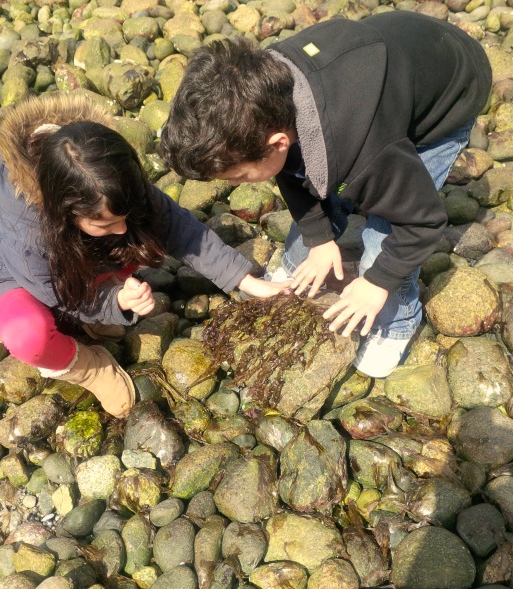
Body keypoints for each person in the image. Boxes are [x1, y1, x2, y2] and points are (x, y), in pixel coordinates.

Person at [160, 11, 492, 378]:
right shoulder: (263, 92)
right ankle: (316, 248)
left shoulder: (369, 152)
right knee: (316, 208)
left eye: (238, 176)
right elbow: (290, 171)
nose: (238, 185)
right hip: (391, 57)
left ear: (277, 142)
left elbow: (424, 221)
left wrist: (376, 282)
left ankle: (398, 322)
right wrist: (319, 239)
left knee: (382, 237)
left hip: (450, 89)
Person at [0, 93, 287, 418]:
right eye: (105, 222)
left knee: (142, 232)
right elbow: (63, 295)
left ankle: (99, 307)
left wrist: (247, 281)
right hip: (21, 282)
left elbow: (182, 230)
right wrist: (115, 302)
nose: (122, 229)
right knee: (28, 336)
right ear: (65, 212)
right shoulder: (28, 235)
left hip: (84, 261)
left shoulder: (106, 173)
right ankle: (86, 365)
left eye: (122, 216)